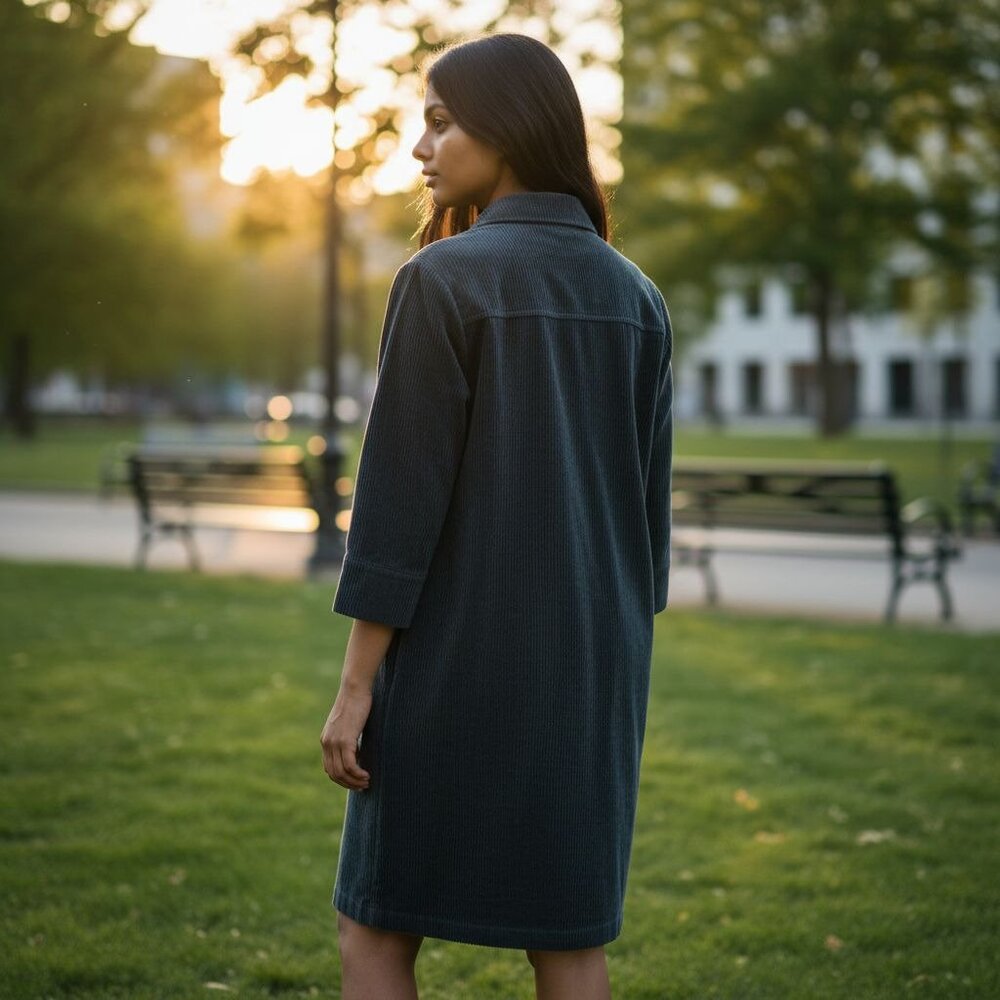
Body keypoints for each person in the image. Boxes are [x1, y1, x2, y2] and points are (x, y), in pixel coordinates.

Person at [320, 32, 674, 1000]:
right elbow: (646, 534)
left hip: (456, 658)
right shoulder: (635, 294)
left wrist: (356, 689)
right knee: (566, 936)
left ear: (510, 127)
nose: (417, 147)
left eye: (439, 120)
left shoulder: (442, 278)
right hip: (594, 667)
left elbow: (397, 508)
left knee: (376, 926)